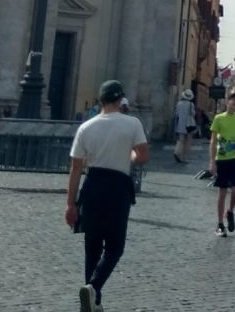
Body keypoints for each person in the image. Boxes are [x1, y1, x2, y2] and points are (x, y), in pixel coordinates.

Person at [66, 79, 148, 311]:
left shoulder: (86, 127)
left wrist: (70, 204)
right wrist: (130, 156)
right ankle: (93, 288)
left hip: (91, 186)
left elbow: (75, 169)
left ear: (100, 100)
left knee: (92, 245)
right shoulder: (132, 123)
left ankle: (93, 302)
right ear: (120, 100)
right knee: (115, 246)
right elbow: (142, 156)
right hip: (117, 187)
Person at [207, 94, 235, 236]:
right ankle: (219, 224)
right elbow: (213, 141)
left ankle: (230, 211)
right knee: (222, 191)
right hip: (222, 158)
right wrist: (212, 161)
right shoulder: (219, 118)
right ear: (227, 102)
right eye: (233, 103)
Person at [173, 89, 198, 164]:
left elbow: (176, 114)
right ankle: (184, 157)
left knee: (181, 140)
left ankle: (177, 152)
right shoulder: (191, 104)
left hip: (180, 125)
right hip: (189, 125)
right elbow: (193, 114)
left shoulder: (179, 104)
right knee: (188, 142)